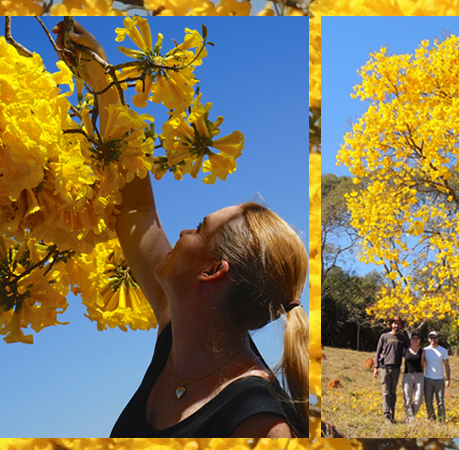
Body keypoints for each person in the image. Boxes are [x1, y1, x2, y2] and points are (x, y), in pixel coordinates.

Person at [55, 18, 310, 438]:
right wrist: (103, 83)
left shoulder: (264, 424)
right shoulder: (181, 323)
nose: (180, 234)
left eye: (198, 228)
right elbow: (136, 210)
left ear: (212, 271)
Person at [372, 317, 408, 423]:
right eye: (395, 323)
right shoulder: (384, 336)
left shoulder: (402, 338)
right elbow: (378, 352)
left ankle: (392, 415)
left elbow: (407, 352)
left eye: (398, 324)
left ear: (401, 326)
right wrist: (375, 368)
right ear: (391, 324)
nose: (396, 326)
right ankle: (386, 416)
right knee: (386, 393)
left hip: (396, 368)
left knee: (393, 392)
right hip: (384, 368)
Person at [423, 331, 451, 423]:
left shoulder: (443, 350)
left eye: (435, 338)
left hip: (439, 379)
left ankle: (441, 420)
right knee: (428, 401)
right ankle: (431, 418)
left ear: (438, 339)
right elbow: (422, 364)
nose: (433, 340)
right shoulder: (425, 350)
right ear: (428, 339)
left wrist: (448, 379)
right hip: (428, 378)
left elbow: (446, 365)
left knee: (440, 402)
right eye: (431, 338)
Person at [401, 333, 425, 422]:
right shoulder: (406, 350)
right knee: (407, 397)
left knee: (419, 399)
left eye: (417, 339)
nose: (415, 341)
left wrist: (423, 375)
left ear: (419, 341)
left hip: (419, 375)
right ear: (410, 340)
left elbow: (422, 364)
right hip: (407, 374)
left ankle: (412, 415)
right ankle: (410, 418)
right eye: (413, 339)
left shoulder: (421, 351)